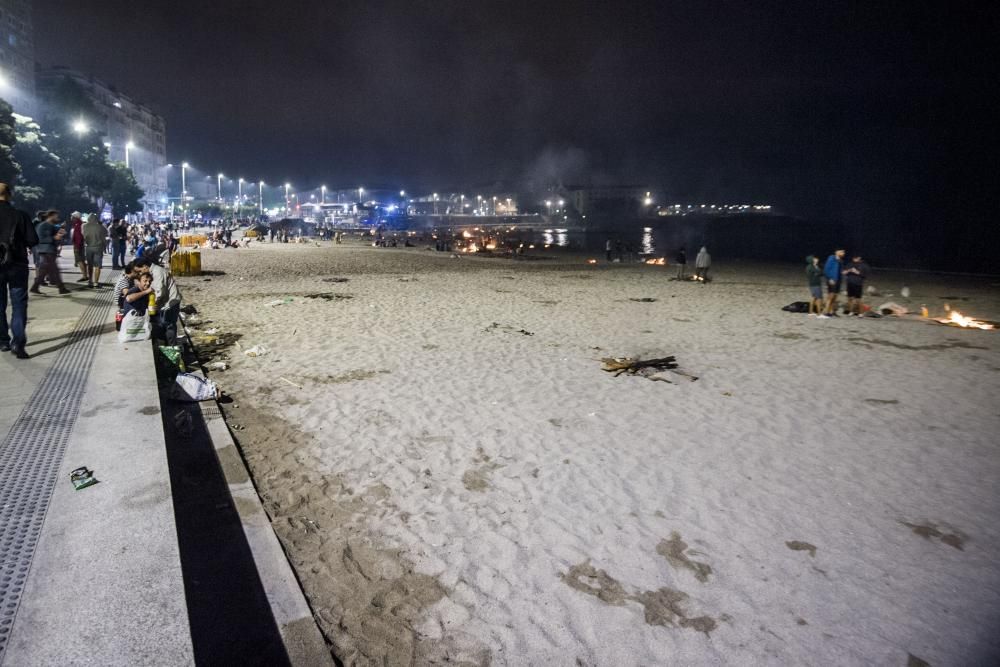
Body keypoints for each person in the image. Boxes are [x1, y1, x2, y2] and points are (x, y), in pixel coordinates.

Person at [0, 183, 40, 358]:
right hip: (17, 265)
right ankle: (18, 343)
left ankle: (2, 342)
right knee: (18, 304)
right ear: (9, 195)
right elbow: (33, 240)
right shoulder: (20, 215)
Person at [31, 210, 69, 295]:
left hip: (49, 251)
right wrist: (54, 238)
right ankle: (61, 288)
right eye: (56, 216)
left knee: (45, 271)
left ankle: (35, 287)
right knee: (54, 270)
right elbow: (41, 239)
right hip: (46, 251)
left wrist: (61, 230)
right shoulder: (42, 226)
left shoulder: (50, 225)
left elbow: (59, 231)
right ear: (50, 216)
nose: (57, 218)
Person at [82, 213, 108, 288]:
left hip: (88, 247)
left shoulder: (84, 226)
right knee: (97, 266)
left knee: (90, 265)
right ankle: (96, 282)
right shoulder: (100, 227)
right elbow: (105, 233)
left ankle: (90, 281)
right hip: (98, 247)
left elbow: (83, 235)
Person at [822, 248, 846, 315]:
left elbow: (839, 271)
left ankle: (831, 311)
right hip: (832, 280)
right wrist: (830, 278)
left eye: (843, 252)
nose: (843, 253)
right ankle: (826, 311)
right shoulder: (831, 258)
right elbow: (826, 270)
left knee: (835, 296)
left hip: (838, 280)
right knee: (831, 295)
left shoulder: (841, 261)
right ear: (836, 252)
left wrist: (844, 272)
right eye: (842, 252)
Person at [69, 212, 88, 282]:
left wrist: (77, 246)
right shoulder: (78, 224)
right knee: (82, 261)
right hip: (79, 245)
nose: (70, 218)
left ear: (75, 217)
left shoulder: (78, 224)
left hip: (78, 245)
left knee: (80, 261)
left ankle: (84, 276)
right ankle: (85, 275)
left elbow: (78, 237)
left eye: (72, 216)